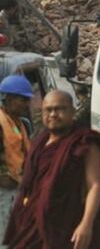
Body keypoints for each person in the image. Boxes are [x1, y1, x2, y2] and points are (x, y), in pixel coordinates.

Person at [4, 90, 100, 249]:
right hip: (37, 222)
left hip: (70, 222)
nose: (53, 114)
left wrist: (86, 224)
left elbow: (95, 185)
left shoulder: (85, 142)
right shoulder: (39, 143)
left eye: (60, 109)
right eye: (48, 110)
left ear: (72, 112)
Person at [0, 75, 33, 239]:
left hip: (16, 188)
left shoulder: (20, 123)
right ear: (10, 98)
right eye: (23, 100)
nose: (27, 105)